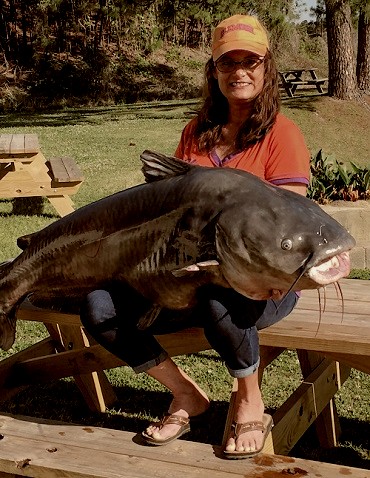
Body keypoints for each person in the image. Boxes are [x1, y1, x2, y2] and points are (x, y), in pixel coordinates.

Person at [80, 14, 310, 459]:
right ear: (214, 70)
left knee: (216, 297)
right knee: (99, 306)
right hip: (185, 277)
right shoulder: (195, 131)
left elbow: (291, 227)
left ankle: (249, 398)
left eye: (250, 60)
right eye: (228, 62)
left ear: (266, 68)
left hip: (266, 282)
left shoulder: (283, 134)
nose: (239, 71)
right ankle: (186, 394)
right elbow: (173, 208)